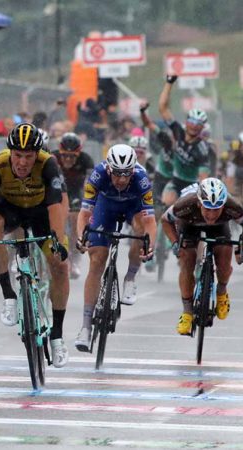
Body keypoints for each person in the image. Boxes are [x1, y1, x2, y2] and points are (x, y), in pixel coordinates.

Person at [0, 122, 70, 368]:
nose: (22, 162)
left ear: (37, 154)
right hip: (9, 211)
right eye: (17, 155)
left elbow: (56, 206)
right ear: (10, 152)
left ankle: (57, 336)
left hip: (40, 212)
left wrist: (58, 242)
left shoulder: (48, 164)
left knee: (61, 266)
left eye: (29, 157)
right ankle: (9, 294)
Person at [74, 144, 156, 351]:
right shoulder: (97, 175)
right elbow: (84, 214)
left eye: (126, 174)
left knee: (140, 233)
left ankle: (130, 277)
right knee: (96, 261)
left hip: (133, 207)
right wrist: (81, 237)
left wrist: (150, 245)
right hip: (106, 207)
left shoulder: (141, 179)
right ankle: (85, 327)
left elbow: (150, 220)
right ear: (109, 169)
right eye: (117, 173)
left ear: (133, 171)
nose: (121, 179)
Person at [161, 178, 243, 335]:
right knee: (186, 260)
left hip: (219, 228)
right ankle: (187, 313)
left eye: (216, 209)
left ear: (223, 205)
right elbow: (165, 220)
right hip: (189, 225)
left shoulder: (232, 206)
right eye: (207, 209)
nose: (211, 215)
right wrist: (175, 243)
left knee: (225, 257)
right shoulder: (185, 205)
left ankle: (221, 291)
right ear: (199, 203)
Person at [158, 75, 210, 207]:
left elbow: (203, 176)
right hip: (176, 180)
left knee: (186, 208)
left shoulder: (202, 149)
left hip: (192, 184)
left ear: (202, 127)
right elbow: (163, 108)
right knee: (166, 202)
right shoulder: (178, 131)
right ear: (186, 122)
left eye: (198, 124)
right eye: (192, 122)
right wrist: (169, 83)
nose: (194, 126)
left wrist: (202, 196)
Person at [52, 132, 94, 279]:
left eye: (72, 156)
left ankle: (75, 259)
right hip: (57, 191)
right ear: (60, 152)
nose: (68, 159)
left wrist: (89, 202)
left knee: (76, 218)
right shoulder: (53, 158)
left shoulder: (86, 160)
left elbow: (90, 184)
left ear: (79, 154)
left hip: (76, 191)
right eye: (65, 156)